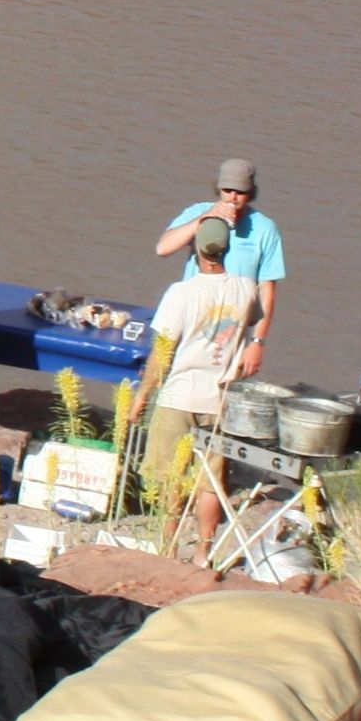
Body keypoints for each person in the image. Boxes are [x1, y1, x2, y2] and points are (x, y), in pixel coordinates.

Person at [129, 213, 260, 559]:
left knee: (169, 477)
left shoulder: (181, 293)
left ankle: (168, 550)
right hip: (219, 400)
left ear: (197, 249)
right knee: (212, 482)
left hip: (178, 396)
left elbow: (162, 352)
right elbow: (256, 322)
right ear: (227, 249)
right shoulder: (247, 289)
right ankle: (204, 552)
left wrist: (141, 396)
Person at [154, 156, 283, 379]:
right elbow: (163, 248)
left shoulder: (265, 228)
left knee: (220, 391)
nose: (232, 197)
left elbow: (267, 292)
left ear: (250, 193)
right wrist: (206, 218)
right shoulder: (199, 212)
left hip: (232, 327)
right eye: (227, 190)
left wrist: (257, 342)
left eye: (240, 192)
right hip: (193, 318)